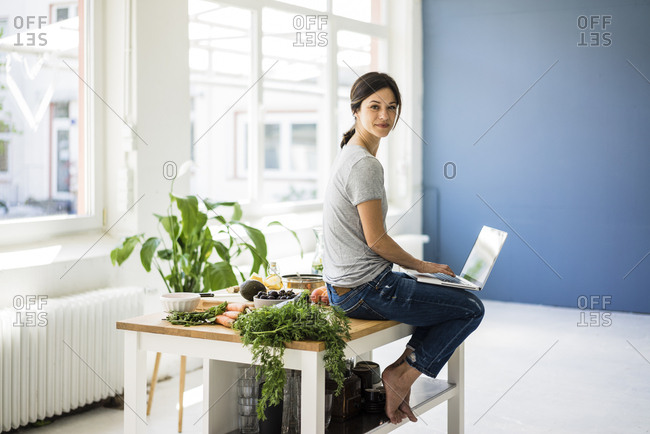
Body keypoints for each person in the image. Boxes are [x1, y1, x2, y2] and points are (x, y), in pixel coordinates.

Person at [322, 72, 485, 424]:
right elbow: (376, 240)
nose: (385, 116)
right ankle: (401, 376)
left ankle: (401, 370)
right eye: (375, 106)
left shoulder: (350, 154)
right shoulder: (364, 163)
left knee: (445, 301)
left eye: (392, 107)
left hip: (346, 289)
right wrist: (422, 267)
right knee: (470, 307)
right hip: (365, 291)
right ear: (355, 110)